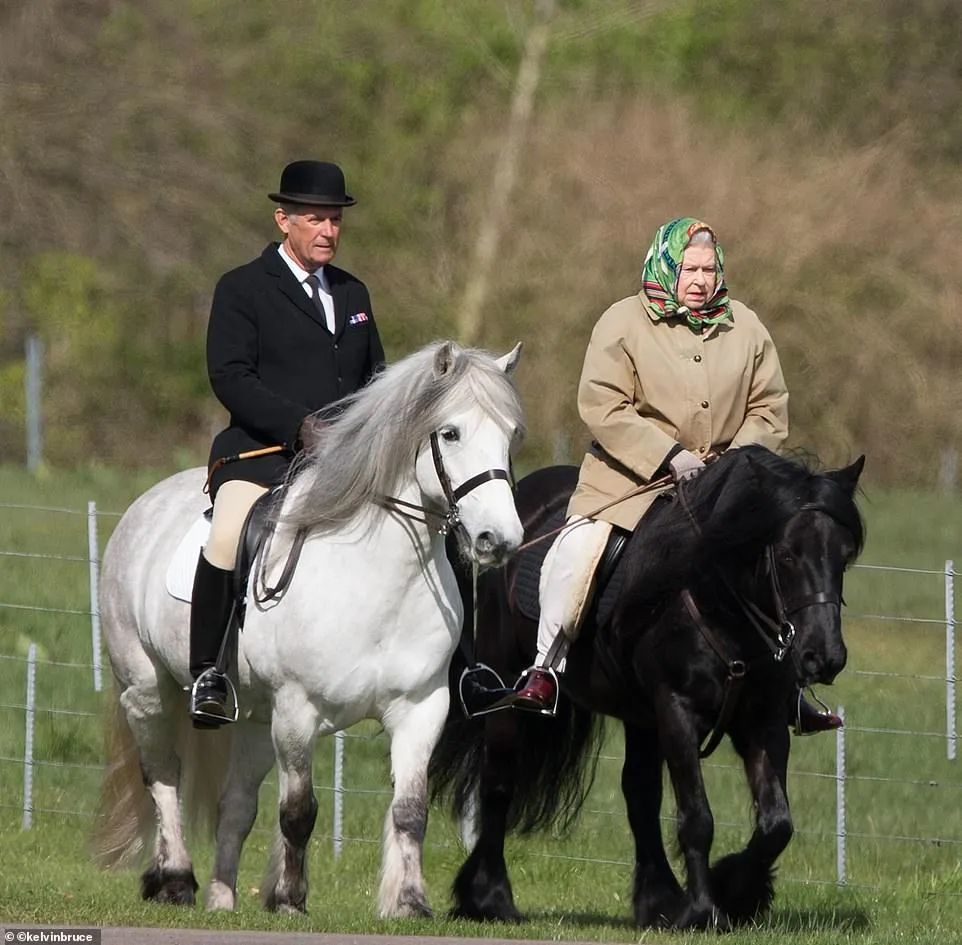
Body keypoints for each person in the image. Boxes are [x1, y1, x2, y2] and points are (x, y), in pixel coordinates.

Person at [512, 217, 841, 735]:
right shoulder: (620, 322)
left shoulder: (747, 327)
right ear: (666, 265)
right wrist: (668, 456)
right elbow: (602, 404)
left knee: (779, 564)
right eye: (689, 268)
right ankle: (545, 667)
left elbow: (770, 408)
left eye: (709, 269)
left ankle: (789, 690)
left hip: (727, 489)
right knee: (576, 556)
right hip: (628, 485)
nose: (700, 279)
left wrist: (734, 463)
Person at [188, 160, 385, 727]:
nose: (329, 230)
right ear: (284, 220)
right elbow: (230, 376)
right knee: (227, 535)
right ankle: (208, 674)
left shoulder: (354, 292)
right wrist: (299, 426)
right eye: (317, 219)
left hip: (344, 462)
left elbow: (376, 377)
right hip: (260, 455)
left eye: (335, 220)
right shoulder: (242, 288)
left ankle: (461, 666)